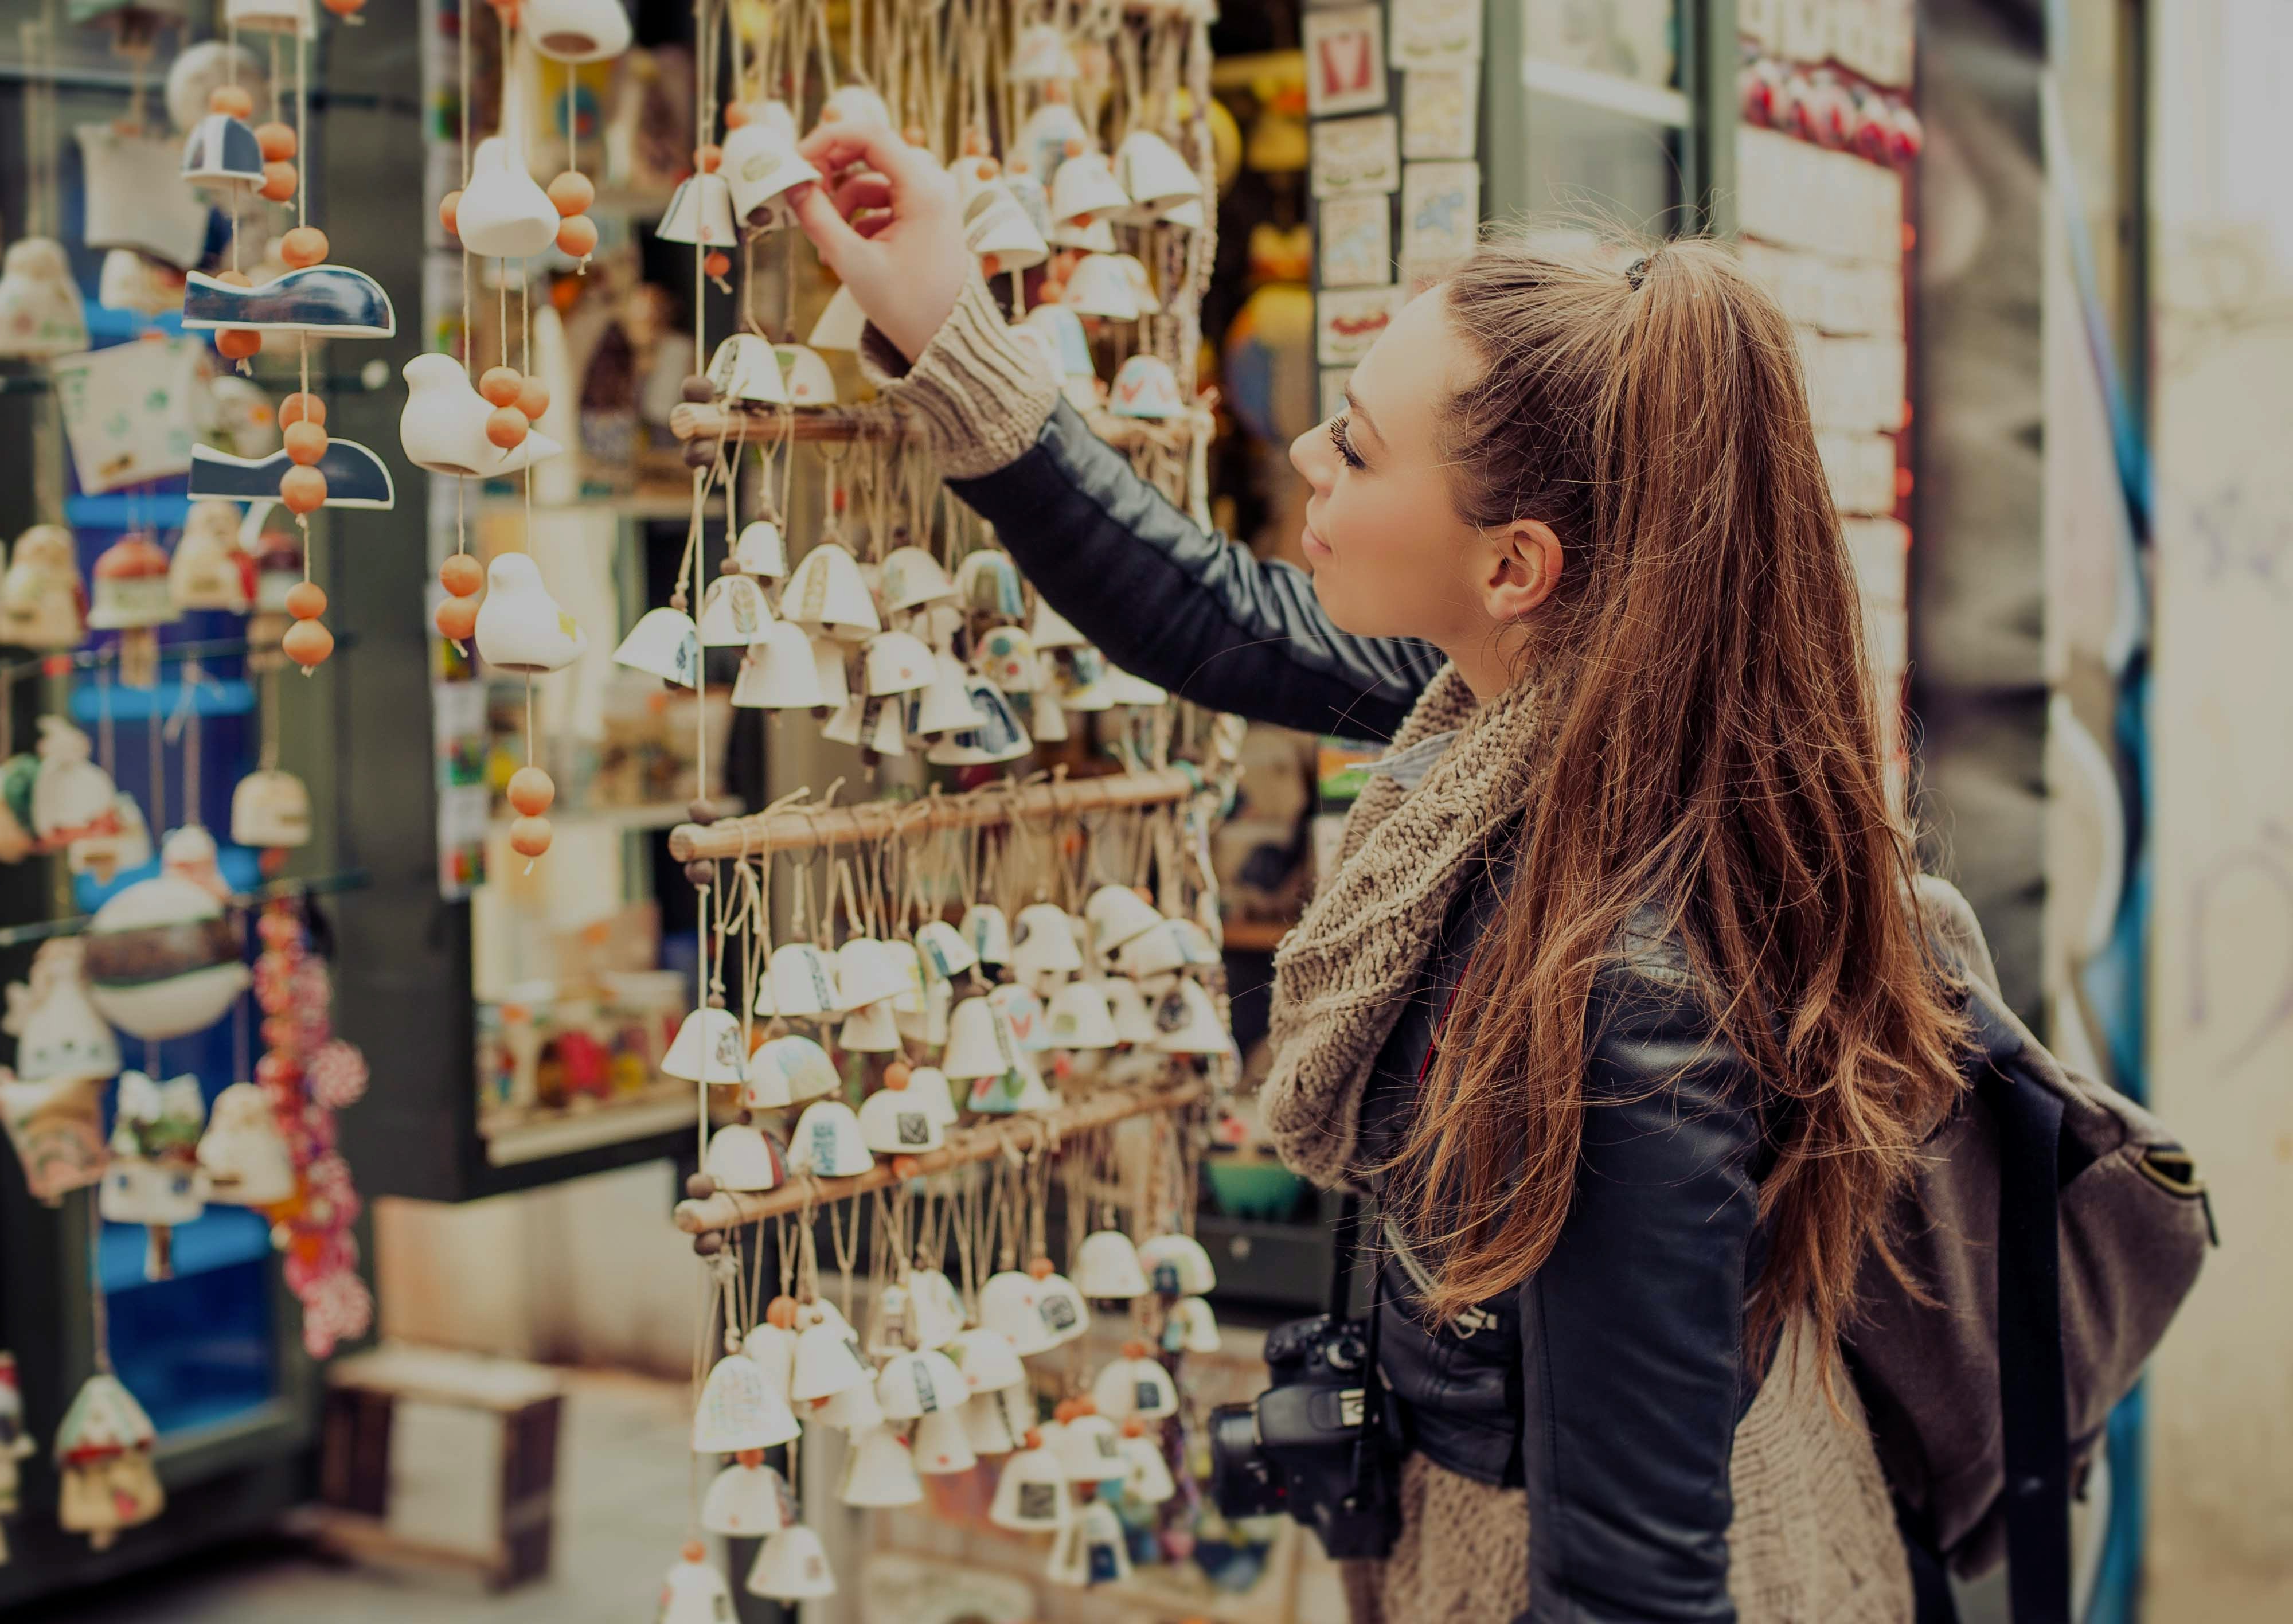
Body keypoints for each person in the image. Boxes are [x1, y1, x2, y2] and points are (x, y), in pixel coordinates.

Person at [786, 119, 1975, 1624]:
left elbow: (1635, 1584)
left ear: (1513, 567)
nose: (1302, 457)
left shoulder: (1624, 985)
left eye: (1352, 445)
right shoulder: (1530, 713)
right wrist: (950, 327)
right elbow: (1207, 614)